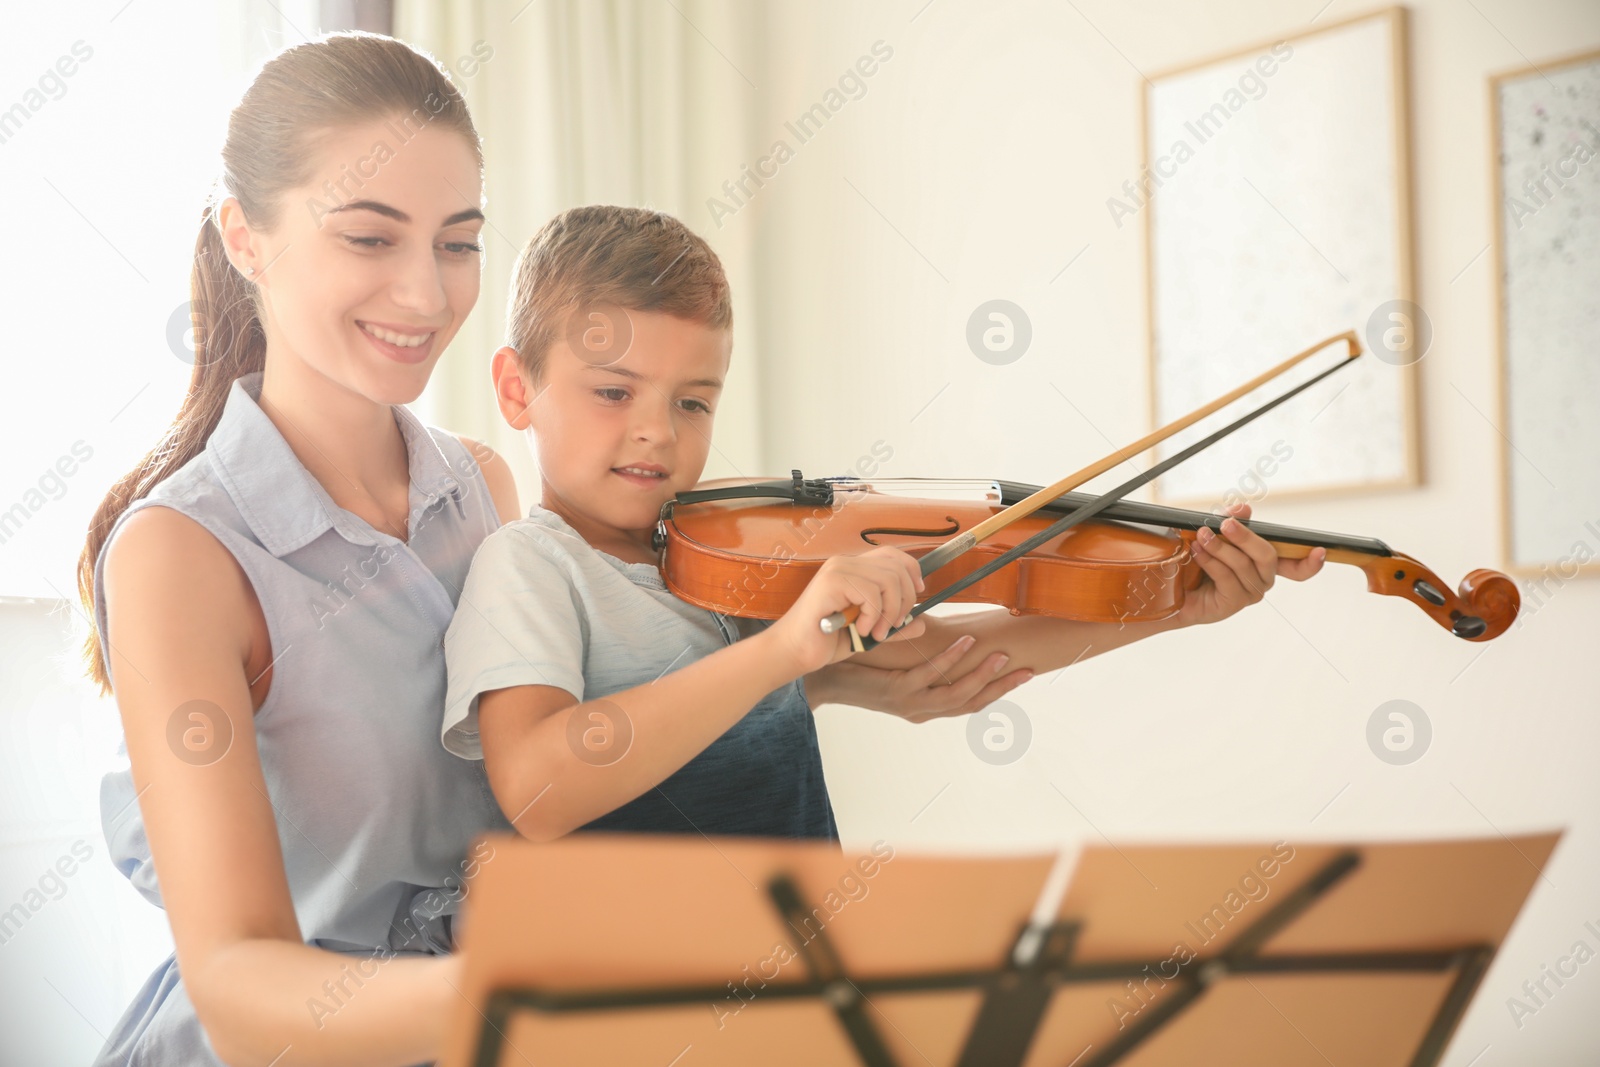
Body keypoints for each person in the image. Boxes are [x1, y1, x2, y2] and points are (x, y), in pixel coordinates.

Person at [76, 33, 1026, 1067]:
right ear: (245, 238)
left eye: (455, 241)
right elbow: (241, 988)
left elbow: (560, 722)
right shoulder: (180, 551)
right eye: (369, 238)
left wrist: (827, 675)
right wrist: (547, 986)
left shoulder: (476, 484)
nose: (426, 293)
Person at [440, 205, 1326, 845]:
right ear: (518, 388)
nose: (657, 431)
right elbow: (537, 787)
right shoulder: (530, 565)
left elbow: (954, 661)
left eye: (693, 401)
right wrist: (782, 650)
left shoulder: (731, 572)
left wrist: (1176, 601)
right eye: (612, 391)